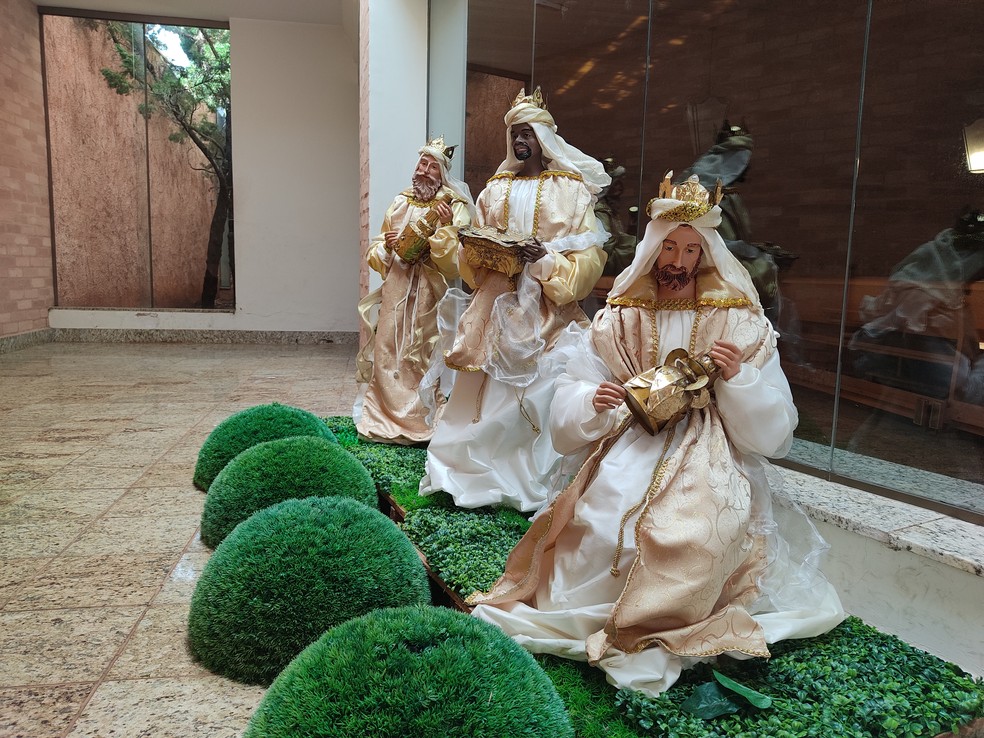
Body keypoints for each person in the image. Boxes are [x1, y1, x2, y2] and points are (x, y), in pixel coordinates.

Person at [470, 172, 845, 697]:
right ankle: (599, 604)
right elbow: (579, 380)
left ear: (704, 255)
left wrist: (739, 379)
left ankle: (666, 613)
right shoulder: (621, 317)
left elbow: (774, 425)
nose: (676, 260)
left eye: (689, 249)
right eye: (668, 246)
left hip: (707, 444)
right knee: (601, 517)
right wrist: (593, 401)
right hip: (631, 435)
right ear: (653, 249)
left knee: (695, 530)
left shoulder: (738, 322)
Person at [419, 87, 610, 512]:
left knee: (539, 389)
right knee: (480, 387)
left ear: (543, 137)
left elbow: (589, 259)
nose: (520, 142)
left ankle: (525, 473)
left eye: (527, 133)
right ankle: (470, 466)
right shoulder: (494, 190)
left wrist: (544, 262)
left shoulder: (571, 191)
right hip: (493, 302)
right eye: (514, 135)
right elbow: (471, 260)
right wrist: (469, 247)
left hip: (544, 311)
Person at [353, 137, 473, 445]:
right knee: (387, 345)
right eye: (423, 164)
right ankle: (382, 414)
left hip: (428, 291)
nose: (425, 172)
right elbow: (377, 246)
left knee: (418, 352)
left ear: (442, 175)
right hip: (396, 285)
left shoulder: (452, 207)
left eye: (434, 167)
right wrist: (388, 247)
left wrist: (444, 231)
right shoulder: (400, 202)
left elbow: (456, 259)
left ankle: (418, 417)